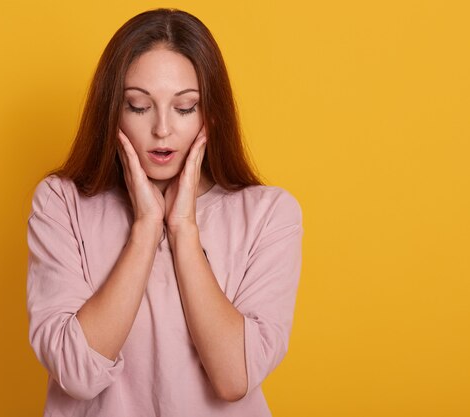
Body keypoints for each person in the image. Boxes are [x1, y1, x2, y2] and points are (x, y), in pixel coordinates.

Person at [26, 8, 303, 417]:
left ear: (210, 112)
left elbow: (234, 378)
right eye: (138, 106)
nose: (162, 129)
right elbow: (76, 374)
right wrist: (144, 228)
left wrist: (184, 229)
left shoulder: (269, 214)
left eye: (185, 107)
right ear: (111, 111)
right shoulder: (61, 204)